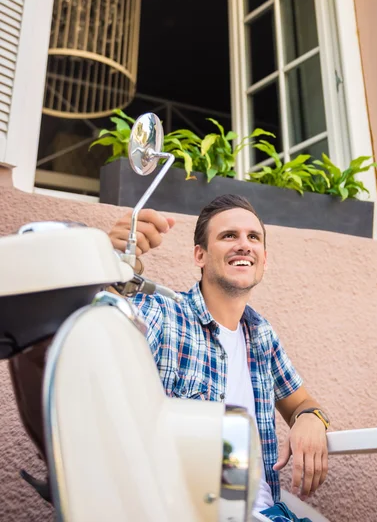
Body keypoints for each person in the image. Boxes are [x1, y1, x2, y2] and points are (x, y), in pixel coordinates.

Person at [109, 194, 330, 522]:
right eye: (229, 236)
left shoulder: (261, 335)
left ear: (264, 259)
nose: (244, 245)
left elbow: (303, 403)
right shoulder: (165, 314)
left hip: (272, 512)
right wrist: (113, 264)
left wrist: (311, 419)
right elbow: (102, 331)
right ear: (200, 255)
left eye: (253, 237)